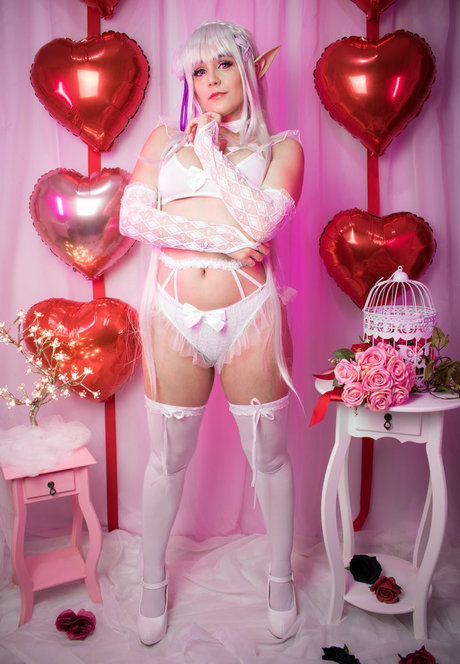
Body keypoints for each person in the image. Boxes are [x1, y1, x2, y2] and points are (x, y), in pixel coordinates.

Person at [119, 20, 304, 645]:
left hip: (251, 313)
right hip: (171, 312)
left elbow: (261, 220)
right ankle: (152, 582)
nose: (211, 80)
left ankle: (280, 578)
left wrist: (214, 149)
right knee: (165, 459)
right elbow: (134, 218)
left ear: (248, 70)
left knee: (270, 456)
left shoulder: (282, 148)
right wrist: (224, 243)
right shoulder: (164, 140)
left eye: (224, 65)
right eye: (199, 71)